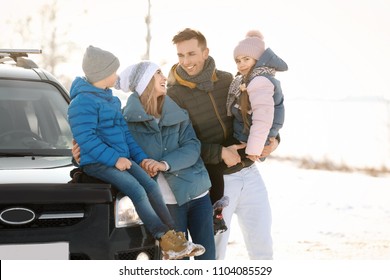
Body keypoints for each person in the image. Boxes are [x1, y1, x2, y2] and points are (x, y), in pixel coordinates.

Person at [67, 45, 204, 260]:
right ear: (101, 74)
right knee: (136, 190)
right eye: (113, 71)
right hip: (98, 163)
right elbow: (87, 139)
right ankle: (161, 235)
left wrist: (140, 159)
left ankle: (174, 238)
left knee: (151, 185)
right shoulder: (81, 102)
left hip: (121, 159)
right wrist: (115, 159)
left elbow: (125, 136)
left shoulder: (111, 100)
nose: (116, 75)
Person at [166, 28, 279, 259]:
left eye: (191, 54)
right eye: (180, 55)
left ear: (205, 52)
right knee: (215, 252)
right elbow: (178, 143)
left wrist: (274, 140)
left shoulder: (228, 80)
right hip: (215, 180)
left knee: (263, 246)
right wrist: (219, 153)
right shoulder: (174, 94)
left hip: (250, 172)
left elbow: (259, 112)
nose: (186, 61)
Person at [115, 61, 216, 260]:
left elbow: (192, 147)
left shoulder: (177, 112)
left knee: (208, 258)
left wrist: (163, 164)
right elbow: (119, 153)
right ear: (144, 82)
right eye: (158, 73)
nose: (164, 78)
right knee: (178, 261)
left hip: (197, 194)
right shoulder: (125, 121)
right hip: (166, 203)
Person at [210, 30, 288, 235]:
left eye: (246, 59)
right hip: (249, 136)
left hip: (250, 139)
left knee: (217, 168)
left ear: (258, 59)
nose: (241, 64)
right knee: (219, 168)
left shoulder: (259, 81)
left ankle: (216, 214)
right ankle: (217, 214)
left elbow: (262, 119)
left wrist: (255, 149)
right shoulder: (249, 79)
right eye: (238, 60)